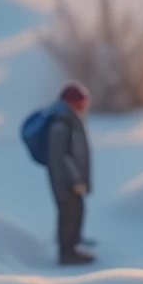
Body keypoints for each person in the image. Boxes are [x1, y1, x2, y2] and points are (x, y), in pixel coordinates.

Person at [46, 83, 93, 268]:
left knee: (76, 211)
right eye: (82, 103)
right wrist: (76, 181)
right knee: (68, 214)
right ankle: (67, 253)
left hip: (67, 181)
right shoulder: (61, 124)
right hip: (64, 182)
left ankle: (73, 246)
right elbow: (62, 157)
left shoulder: (68, 119)